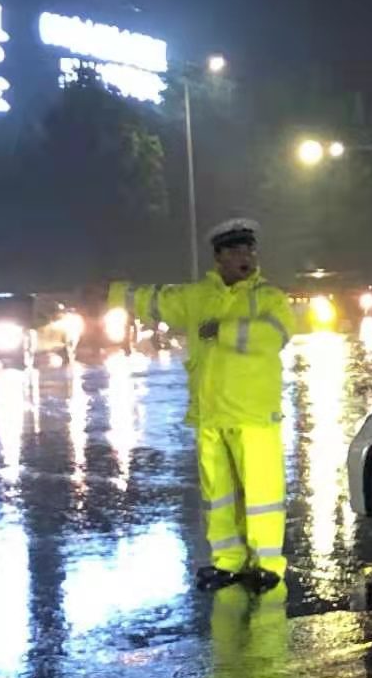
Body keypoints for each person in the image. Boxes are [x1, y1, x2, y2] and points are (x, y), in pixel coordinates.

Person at [109, 218, 293, 592]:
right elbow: (156, 301)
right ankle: (227, 562)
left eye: (250, 249)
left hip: (254, 415)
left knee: (261, 494)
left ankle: (267, 565)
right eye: (237, 250)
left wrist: (223, 330)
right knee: (218, 496)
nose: (246, 256)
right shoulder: (198, 297)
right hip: (211, 415)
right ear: (219, 257)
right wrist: (111, 294)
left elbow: (275, 335)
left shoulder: (268, 297)